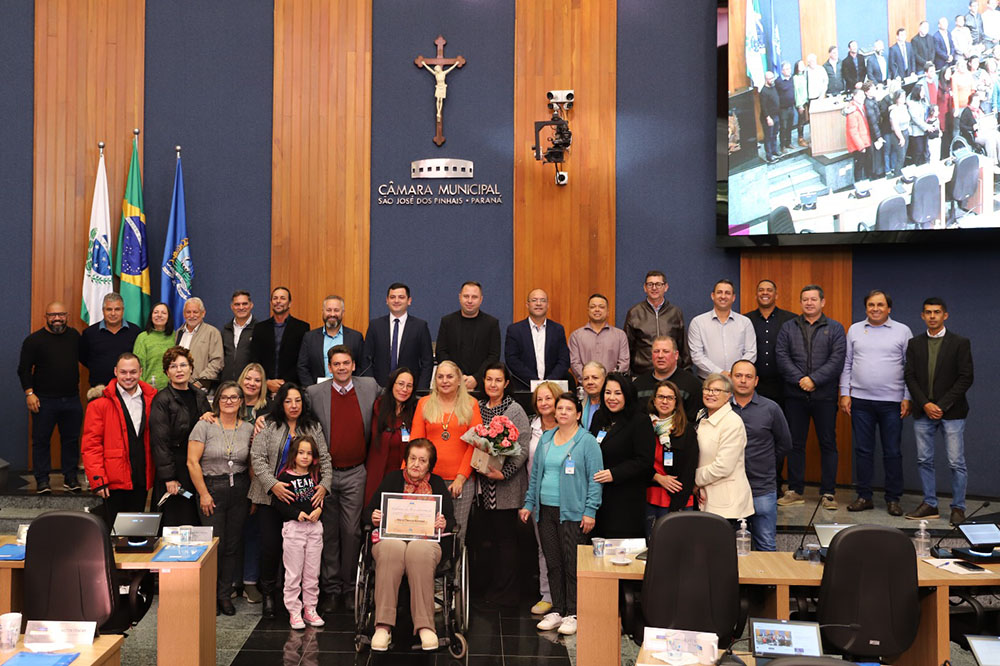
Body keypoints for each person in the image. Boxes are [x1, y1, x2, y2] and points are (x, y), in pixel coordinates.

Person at [304, 344, 380, 613]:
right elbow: (294, 413)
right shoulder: (315, 393)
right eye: (336, 364)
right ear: (329, 367)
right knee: (328, 533)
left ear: (354, 365)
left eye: (346, 363)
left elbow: (397, 399)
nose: (342, 368)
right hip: (325, 476)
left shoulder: (370, 387)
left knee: (351, 532)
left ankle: (350, 587)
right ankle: (332, 589)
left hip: (356, 473)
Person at [520, 393, 603, 637]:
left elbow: (595, 480)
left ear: (578, 414)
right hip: (545, 510)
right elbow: (536, 475)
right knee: (553, 562)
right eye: (560, 409)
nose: (563, 412)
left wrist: (590, 510)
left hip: (573, 513)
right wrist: (528, 504)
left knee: (571, 564)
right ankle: (557, 610)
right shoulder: (546, 438)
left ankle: (573, 613)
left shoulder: (587, 441)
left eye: (569, 409)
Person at [249, 383, 332, 618]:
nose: (293, 405)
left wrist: (324, 486)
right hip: (269, 497)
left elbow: (325, 459)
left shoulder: (313, 426)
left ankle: (306, 602)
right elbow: (257, 457)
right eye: (288, 401)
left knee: (304, 552)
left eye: (297, 401)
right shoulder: (267, 424)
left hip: (303, 500)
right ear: (280, 403)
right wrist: (273, 485)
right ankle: (268, 595)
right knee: (270, 546)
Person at [365, 439, 454, 651]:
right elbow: (368, 513)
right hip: (392, 539)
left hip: (425, 541)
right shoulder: (392, 479)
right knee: (391, 549)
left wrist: (443, 522)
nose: (416, 464)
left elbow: (451, 521)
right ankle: (383, 627)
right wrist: (374, 517)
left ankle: (425, 627)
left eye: (422, 460)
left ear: (430, 465)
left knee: (418, 551)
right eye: (412, 458)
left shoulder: (437, 483)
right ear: (406, 459)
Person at [840, 290, 912, 516]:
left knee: (892, 452)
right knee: (863, 451)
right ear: (866, 308)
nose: (875, 309)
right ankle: (864, 496)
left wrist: (907, 396)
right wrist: (844, 393)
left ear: (889, 308)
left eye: (880, 305)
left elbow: (910, 367)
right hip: (861, 402)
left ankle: (893, 499)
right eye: (871, 305)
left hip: (892, 402)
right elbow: (847, 363)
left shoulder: (902, 331)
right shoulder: (854, 329)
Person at [904, 298, 974, 525]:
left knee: (956, 462)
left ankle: (958, 507)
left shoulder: (960, 343)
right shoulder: (914, 343)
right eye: (928, 312)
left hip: (952, 412)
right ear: (922, 316)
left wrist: (941, 405)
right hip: (923, 411)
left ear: (945, 315)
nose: (932, 316)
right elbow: (910, 376)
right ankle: (930, 504)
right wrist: (925, 404)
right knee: (924, 459)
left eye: (936, 312)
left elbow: (966, 377)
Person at [775, 285, 846, 510]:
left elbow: (837, 360)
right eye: (805, 299)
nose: (809, 303)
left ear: (822, 302)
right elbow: (782, 356)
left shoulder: (835, 328)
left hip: (824, 396)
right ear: (800, 302)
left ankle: (828, 493)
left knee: (828, 443)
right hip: (795, 395)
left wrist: (814, 380)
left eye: (813, 299)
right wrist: (801, 379)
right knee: (795, 443)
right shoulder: (788, 327)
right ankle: (795, 490)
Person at [186, 380, 254, 616]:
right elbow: (192, 462)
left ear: (241, 401)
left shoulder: (248, 429)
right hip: (212, 489)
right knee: (214, 546)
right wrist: (203, 493)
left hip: (240, 489)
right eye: (224, 397)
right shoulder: (204, 425)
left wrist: (253, 496)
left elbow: (252, 464)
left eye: (234, 397)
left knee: (232, 546)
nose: (229, 401)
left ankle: (224, 595)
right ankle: (209, 596)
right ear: (217, 401)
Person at [473, 363, 530, 608]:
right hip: (483, 486)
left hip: (507, 486)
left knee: (507, 541)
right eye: (489, 379)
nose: (493, 384)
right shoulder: (477, 407)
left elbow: (523, 448)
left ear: (506, 383)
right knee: (490, 541)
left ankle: (507, 594)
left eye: (498, 380)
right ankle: (492, 589)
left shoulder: (514, 409)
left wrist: (503, 473)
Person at [411, 360, 483, 541]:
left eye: (450, 376)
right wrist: (411, 475)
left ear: (459, 380)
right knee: (426, 532)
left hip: (460, 481)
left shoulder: (471, 404)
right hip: (427, 479)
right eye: (440, 377)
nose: (444, 381)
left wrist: (461, 477)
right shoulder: (424, 403)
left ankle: (455, 561)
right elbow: (415, 444)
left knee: (456, 533)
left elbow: (475, 445)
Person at [82, 352, 155, 527]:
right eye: (123, 372)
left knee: (136, 532)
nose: (128, 377)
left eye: (133, 372)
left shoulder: (153, 399)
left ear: (141, 372)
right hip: (112, 481)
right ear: (115, 371)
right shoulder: (99, 404)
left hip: (141, 478)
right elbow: (91, 446)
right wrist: (98, 480)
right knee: (111, 532)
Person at [17, 301, 82, 493]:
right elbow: (23, 370)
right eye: (53, 315)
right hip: (43, 400)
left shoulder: (74, 337)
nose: (57, 318)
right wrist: (29, 393)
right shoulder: (33, 340)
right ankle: (42, 481)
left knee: (71, 440)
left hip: (72, 399)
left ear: (67, 316)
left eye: (61, 314)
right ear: (46, 317)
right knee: (41, 441)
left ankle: (70, 479)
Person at [729, 361, 791, 552]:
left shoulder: (771, 408)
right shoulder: (721, 408)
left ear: (756, 381)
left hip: (761, 487)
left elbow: (785, 444)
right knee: (728, 547)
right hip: (729, 488)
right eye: (738, 376)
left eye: (748, 377)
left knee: (766, 544)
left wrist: (766, 464)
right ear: (730, 378)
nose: (743, 380)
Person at [150, 346, 212, 526]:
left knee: (194, 517)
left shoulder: (199, 396)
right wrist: (169, 478)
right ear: (166, 372)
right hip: (174, 467)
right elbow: (159, 442)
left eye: (183, 365)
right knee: (176, 519)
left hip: (196, 466)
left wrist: (209, 417)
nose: (179, 370)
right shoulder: (162, 400)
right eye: (173, 366)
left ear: (191, 368)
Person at [588, 372, 655, 538]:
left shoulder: (640, 421)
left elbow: (644, 461)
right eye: (608, 392)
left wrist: (614, 474)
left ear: (627, 394)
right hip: (598, 497)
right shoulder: (599, 417)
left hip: (626, 499)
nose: (612, 398)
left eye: (618, 393)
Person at [272, 435, 326, 630]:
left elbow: (321, 499)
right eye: (301, 452)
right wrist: (297, 514)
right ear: (294, 455)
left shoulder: (316, 475)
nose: (305, 457)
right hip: (294, 529)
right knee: (294, 573)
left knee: (312, 573)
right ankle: (294, 610)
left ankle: (310, 608)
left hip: (314, 528)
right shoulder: (284, 477)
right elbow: (278, 503)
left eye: (309, 453)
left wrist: (319, 510)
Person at [694, 373, 753, 522]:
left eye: (717, 390)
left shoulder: (732, 422)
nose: (710, 394)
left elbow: (723, 467)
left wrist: (693, 480)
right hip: (705, 497)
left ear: (728, 395)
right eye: (707, 389)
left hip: (727, 505)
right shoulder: (701, 415)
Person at [525, 381, 562, 616]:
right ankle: (547, 595)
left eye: (548, 398)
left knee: (565, 548)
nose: (544, 403)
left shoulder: (567, 425)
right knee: (543, 547)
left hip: (565, 497)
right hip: (537, 496)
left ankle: (567, 597)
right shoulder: (532, 427)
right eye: (540, 399)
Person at [235, 361, 269, 604]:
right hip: (232, 477)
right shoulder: (229, 402)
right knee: (232, 532)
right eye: (248, 378)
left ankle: (249, 581)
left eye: (257, 380)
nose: (252, 383)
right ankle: (230, 582)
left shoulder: (268, 410)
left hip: (257, 477)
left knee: (254, 531)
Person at [644, 380, 697, 536]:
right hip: (650, 497)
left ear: (676, 402)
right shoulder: (644, 426)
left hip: (679, 498)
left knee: (679, 545)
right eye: (661, 397)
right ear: (654, 400)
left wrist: (677, 505)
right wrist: (657, 477)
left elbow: (689, 469)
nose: (665, 401)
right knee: (652, 544)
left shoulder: (686, 429)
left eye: (670, 398)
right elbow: (638, 462)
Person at [362, 282, 434, 389]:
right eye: (392, 297)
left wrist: (421, 389)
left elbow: (427, 362)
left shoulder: (420, 326)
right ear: (387, 300)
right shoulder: (375, 326)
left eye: (401, 297)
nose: (396, 301)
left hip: (409, 389)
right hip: (379, 388)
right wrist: (371, 386)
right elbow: (366, 360)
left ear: (409, 301)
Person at [435, 281, 502, 391]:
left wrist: (476, 378)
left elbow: (493, 356)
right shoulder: (447, 322)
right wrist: (457, 376)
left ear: (481, 299)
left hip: (481, 386)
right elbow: (441, 352)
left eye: (474, 297)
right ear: (459, 297)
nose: (469, 301)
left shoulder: (491, 323)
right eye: (466, 296)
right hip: (452, 385)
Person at [365, 367, 417, 504]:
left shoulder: (415, 411)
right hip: (377, 471)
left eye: (409, 386)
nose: (404, 389)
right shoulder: (377, 406)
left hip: (404, 474)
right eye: (401, 384)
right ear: (392, 384)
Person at [688, 279, 757, 380]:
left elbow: (751, 353)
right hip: (708, 380)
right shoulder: (698, 322)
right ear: (713, 296)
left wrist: (734, 372)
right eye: (719, 292)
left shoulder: (745, 322)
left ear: (733, 297)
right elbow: (696, 355)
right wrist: (719, 372)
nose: (723, 296)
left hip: (737, 381)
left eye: (727, 293)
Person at [504, 288, 571, 390]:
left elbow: (564, 360)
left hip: (553, 389)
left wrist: (548, 383)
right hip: (524, 387)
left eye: (543, 300)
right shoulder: (515, 330)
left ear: (547, 305)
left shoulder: (557, 329)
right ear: (527, 304)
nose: (538, 303)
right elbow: (512, 359)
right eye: (534, 300)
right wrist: (535, 382)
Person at [250, 287, 310, 396]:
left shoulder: (302, 328)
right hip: (264, 389)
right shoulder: (260, 328)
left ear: (290, 303)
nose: (278, 301)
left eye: (282, 298)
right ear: (271, 303)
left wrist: (283, 383)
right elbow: (254, 358)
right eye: (275, 298)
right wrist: (266, 381)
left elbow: (302, 360)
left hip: (292, 388)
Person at [625, 270, 687, 374]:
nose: (654, 288)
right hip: (642, 373)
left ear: (666, 287)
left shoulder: (675, 312)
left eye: (658, 284)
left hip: (672, 374)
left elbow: (683, 346)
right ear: (645, 288)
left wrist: (686, 371)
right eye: (650, 284)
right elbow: (627, 348)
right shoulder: (634, 312)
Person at [744, 279, 795, 406]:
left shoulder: (791, 320)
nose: (765, 293)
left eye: (769, 290)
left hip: (784, 385)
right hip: (754, 385)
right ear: (756, 295)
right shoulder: (745, 320)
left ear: (776, 295)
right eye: (761, 290)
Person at [297, 294, 364, 386]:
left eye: (336, 310)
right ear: (323, 312)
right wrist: (312, 389)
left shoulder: (356, 337)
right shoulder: (309, 337)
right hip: (317, 390)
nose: (332, 314)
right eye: (328, 310)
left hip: (348, 389)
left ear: (343, 313)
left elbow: (361, 366)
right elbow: (302, 367)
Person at [632, 336, 702, 422]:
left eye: (666, 351)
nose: (660, 356)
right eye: (656, 351)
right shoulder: (638, 385)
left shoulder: (692, 385)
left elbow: (695, 421)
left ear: (676, 355)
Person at [80, 292, 141, 388]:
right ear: (103, 311)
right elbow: (83, 358)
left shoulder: (135, 332)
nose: (113, 313)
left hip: (128, 387)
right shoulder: (89, 333)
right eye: (109, 309)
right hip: (99, 388)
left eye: (117, 309)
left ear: (123, 310)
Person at [568, 293, 629, 380]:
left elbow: (624, 363)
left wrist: (609, 380)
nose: (597, 310)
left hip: (612, 385)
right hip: (586, 386)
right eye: (593, 307)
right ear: (588, 310)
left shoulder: (620, 335)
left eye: (601, 307)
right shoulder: (576, 336)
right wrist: (590, 379)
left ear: (608, 311)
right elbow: (574, 363)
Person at [173, 297, 223, 394]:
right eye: (188, 312)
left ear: (203, 313)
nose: (191, 316)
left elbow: (217, 362)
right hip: (179, 388)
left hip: (200, 389)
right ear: (184, 314)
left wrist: (199, 383)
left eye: (195, 312)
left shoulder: (212, 332)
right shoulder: (179, 333)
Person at [133, 302, 174, 390]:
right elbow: (137, 366)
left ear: (168, 318)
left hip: (173, 389)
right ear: (151, 316)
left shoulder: (176, 336)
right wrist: (143, 389)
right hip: (149, 389)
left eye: (163, 313)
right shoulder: (142, 338)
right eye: (156, 312)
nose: (159, 315)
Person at [221, 290, 257, 383]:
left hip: (249, 384)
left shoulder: (259, 329)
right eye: (237, 304)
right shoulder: (225, 330)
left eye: (245, 304)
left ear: (251, 305)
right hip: (227, 383)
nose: (241, 307)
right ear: (232, 307)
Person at [961, 90, 1000, 162]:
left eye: (978, 101)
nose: (977, 103)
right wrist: (972, 128)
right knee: (990, 140)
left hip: (985, 131)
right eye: (976, 101)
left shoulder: (979, 110)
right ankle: (993, 161)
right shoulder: (967, 111)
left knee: (997, 135)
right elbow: (962, 126)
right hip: (976, 135)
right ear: (971, 102)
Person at [845, 88, 873, 181]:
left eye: (863, 95)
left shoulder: (861, 106)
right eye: (859, 96)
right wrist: (861, 147)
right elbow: (853, 132)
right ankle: (859, 184)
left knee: (867, 165)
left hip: (865, 141)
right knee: (859, 167)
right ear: (854, 96)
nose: (862, 98)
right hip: (859, 145)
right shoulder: (852, 111)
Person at [907, 84, 933, 166]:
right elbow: (916, 119)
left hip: (925, 130)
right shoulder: (911, 104)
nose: (924, 93)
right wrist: (926, 127)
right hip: (917, 132)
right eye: (922, 91)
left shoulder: (924, 100)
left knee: (926, 150)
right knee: (919, 151)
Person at [887, 90, 911, 177]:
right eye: (901, 97)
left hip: (906, 132)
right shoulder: (894, 111)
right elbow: (895, 126)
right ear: (896, 99)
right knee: (900, 157)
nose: (904, 98)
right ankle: (896, 175)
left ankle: (901, 174)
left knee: (903, 156)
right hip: (898, 135)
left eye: (904, 96)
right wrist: (901, 138)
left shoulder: (904, 107)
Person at [759, 70, 781, 163]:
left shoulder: (773, 87)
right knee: (768, 136)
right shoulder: (763, 91)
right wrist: (768, 118)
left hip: (776, 116)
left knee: (775, 135)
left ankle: (774, 150)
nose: (772, 80)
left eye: (773, 78)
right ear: (766, 79)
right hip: (768, 118)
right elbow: (763, 107)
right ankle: (769, 155)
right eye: (770, 78)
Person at [776, 61, 797, 152]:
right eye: (787, 69)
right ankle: (782, 145)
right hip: (783, 109)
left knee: (789, 126)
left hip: (791, 107)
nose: (789, 71)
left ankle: (788, 143)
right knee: (783, 128)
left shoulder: (791, 78)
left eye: (789, 68)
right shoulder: (778, 81)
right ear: (782, 71)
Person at [579, 361, 606, 431]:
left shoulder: (611, 405)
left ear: (605, 380)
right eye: (586, 378)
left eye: (595, 378)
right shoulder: (579, 405)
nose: (590, 382)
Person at [793, 60, 810, 148]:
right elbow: (796, 92)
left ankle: (803, 138)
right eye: (800, 65)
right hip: (800, 103)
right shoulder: (795, 78)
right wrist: (799, 105)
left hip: (805, 101)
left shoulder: (803, 75)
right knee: (801, 121)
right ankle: (800, 138)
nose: (803, 66)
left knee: (804, 120)